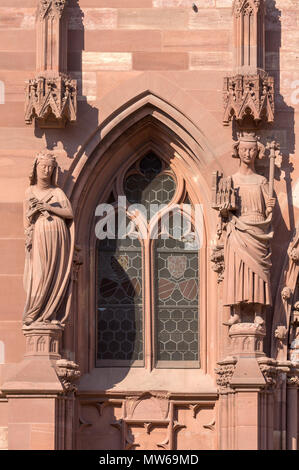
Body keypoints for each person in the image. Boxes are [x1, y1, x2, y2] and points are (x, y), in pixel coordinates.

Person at [221, 133, 276, 325]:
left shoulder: (261, 181)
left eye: (252, 149)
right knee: (237, 270)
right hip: (238, 227)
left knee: (258, 271)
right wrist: (225, 207)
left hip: (257, 226)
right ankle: (236, 312)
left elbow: (269, 210)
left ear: (257, 152)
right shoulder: (231, 180)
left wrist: (270, 205)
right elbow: (223, 208)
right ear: (238, 151)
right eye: (244, 149)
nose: (248, 153)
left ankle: (258, 312)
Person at [23, 151, 74, 326]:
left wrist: (48, 207)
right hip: (38, 237)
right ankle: (36, 311)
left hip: (57, 237)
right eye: (43, 167)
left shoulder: (57, 192)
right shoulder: (30, 191)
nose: (46, 171)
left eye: (50, 168)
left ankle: (49, 311)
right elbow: (27, 221)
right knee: (39, 274)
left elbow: (69, 213)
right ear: (35, 168)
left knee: (53, 273)